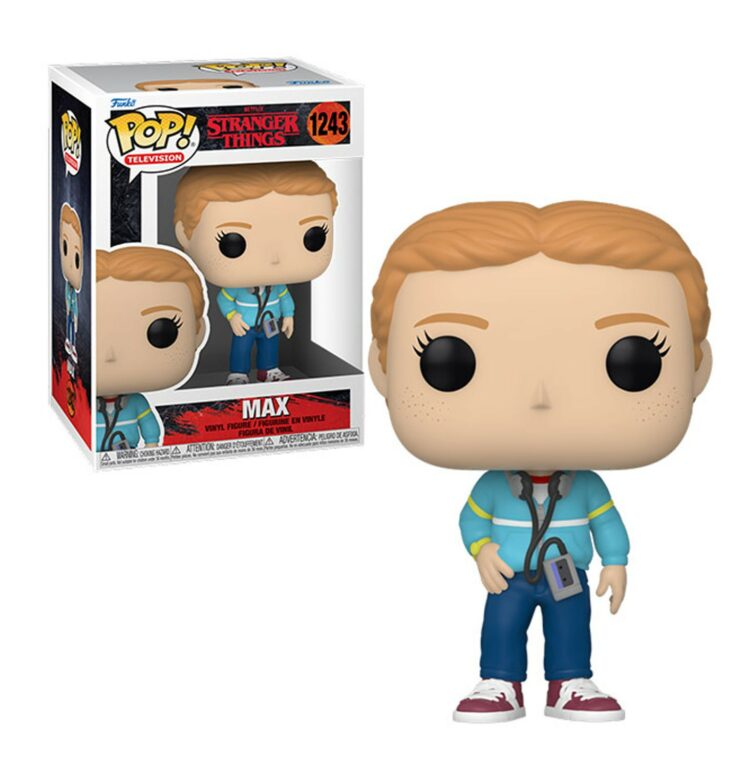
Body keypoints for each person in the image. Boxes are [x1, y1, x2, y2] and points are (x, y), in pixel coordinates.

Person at [369, 201, 711, 722]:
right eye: (449, 359)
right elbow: (470, 520)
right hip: (509, 573)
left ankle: (570, 683)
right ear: (383, 370)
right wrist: (482, 551)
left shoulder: (586, 485)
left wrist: (616, 561)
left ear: (697, 370)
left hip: (563, 570)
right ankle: (499, 683)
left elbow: (608, 524)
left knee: (571, 626)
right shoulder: (493, 484)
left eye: (634, 359)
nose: (540, 398)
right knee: (500, 626)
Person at [174, 161, 338, 384]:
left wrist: (289, 315)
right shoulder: (237, 287)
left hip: (270, 321)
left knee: (270, 347)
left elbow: (285, 298)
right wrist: (232, 317)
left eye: (314, 236)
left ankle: (269, 371)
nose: (274, 258)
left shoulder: (277, 285)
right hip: (246, 324)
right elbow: (224, 299)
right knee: (241, 350)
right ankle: (238, 374)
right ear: (184, 235)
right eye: (232, 242)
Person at [95, 246, 208, 451]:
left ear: (198, 334)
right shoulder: (83, 403)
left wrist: (152, 443)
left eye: (162, 331)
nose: (110, 355)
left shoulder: (136, 402)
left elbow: (148, 423)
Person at [60, 203, 83, 365]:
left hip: (72, 311)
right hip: (70, 311)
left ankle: (72, 343)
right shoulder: (69, 288)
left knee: (71, 324)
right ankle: (70, 342)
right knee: (69, 323)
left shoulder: (72, 290)